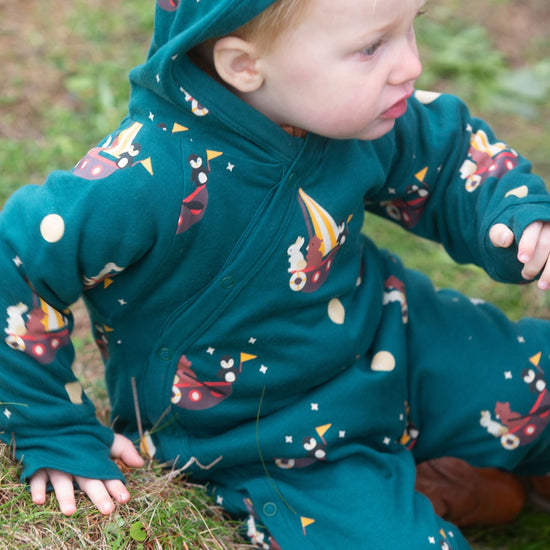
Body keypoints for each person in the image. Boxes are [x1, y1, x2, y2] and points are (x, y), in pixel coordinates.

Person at [2, 0, 550, 547]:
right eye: (371, 47)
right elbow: (19, 261)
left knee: (531, 375)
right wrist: (51, 424)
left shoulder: (358, 111)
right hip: (270, 435)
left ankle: (468, 477)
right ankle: (449, 489)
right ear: (244, 66)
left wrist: (513, 215)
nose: (412, 65)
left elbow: (448, 156)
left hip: (393, 335)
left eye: (412, 28)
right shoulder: (143, 176)